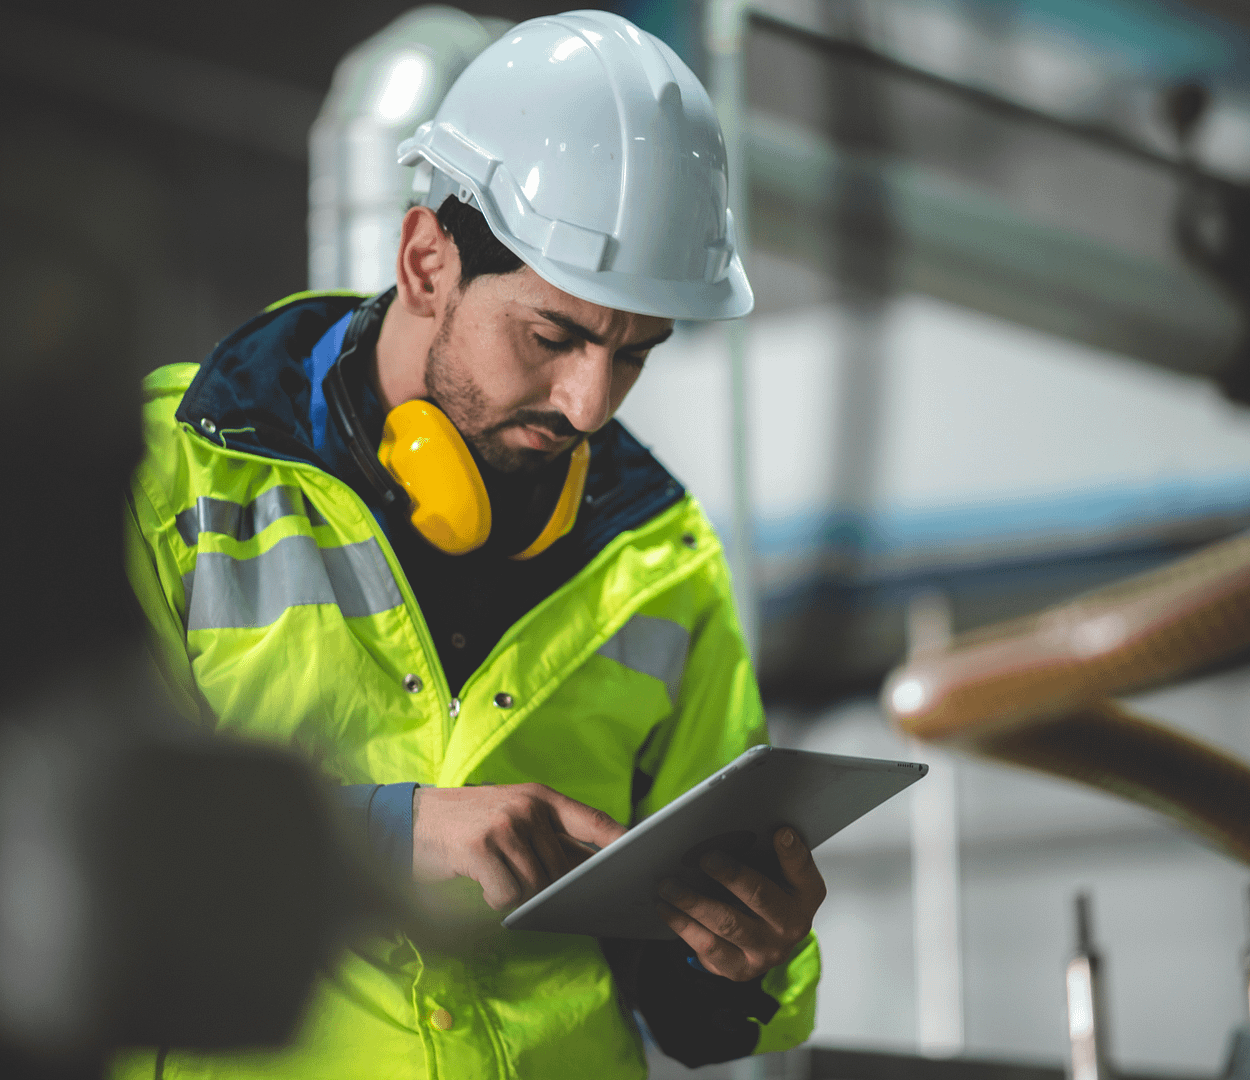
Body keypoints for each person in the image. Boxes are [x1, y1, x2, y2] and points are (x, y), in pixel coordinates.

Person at [119, 11, 822, 1078]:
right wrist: (391, 836)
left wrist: (745, 956)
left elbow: (694, 1015)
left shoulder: (660, 560)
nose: (590, 405)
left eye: (633, 356)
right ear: (426, 261)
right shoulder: (175, 482)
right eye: (554, 336)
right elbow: (81, 854)